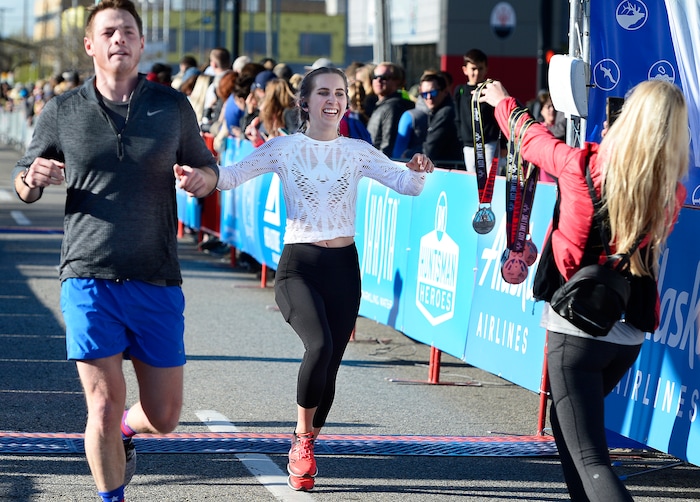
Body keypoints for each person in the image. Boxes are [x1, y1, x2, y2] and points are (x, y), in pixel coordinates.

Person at [175, 66, 434, 492]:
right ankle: (300, 440)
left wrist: (419, 168)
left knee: (330, 365)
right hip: (299, 266)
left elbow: (406, 184)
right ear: (305, 103)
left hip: (344, 268)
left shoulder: (357, 150)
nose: (334, 101)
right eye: (324, 93)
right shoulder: (284, 148)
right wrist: (199, 178)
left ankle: (307, 442)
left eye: (340, 93)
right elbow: (233, 176)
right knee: (320, 345)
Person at [10, 1, 219, 501]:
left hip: (155, 275)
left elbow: (208, 170)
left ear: (142, 43)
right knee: (100, 405)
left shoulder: (171, 107)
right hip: (87, 275)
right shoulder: (62, 110)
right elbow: (24, 180)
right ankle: (112, 496)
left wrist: (199, 180)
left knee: (165, 417)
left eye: (128, 31)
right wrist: (32, 179)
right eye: (108, 31)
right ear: (90, 45)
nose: (118, 38)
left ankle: (131, 429)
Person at [480, 79, 688, 502]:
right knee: (569, 426)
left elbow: (530, 138)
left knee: (592, 460)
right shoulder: (671, 190)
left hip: (576, 328)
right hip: (627, 331)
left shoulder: (582, 166)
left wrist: (503, 102)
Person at [454, 48, 501, 173]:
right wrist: (461, 137)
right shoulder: (460, 91)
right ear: (465, 70)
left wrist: (504, 143)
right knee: (472, 178)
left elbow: (500, 115)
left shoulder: (492, 89)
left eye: (480, 68)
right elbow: (457, 117)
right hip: (469, 144)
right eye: (473, 69)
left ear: (486, 69)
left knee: (490, 179)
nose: (477, 73)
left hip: (488, 143)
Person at [366, 61, 415, 157]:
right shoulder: (382, 105)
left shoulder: (393, 107)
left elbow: (388, 144)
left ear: (397, 81)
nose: (378, 80)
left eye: (384, 78)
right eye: (375, 77)